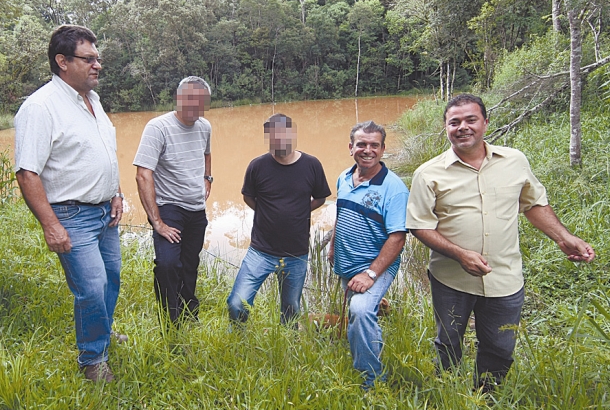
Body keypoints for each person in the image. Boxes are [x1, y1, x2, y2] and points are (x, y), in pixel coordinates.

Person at [406, 94, 595, 390]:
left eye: (471, 120)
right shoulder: (428, 173)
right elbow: (419, 225)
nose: (463, 127)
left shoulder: (514, 161)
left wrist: (564, 237)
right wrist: (459, 255)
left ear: (485, 123)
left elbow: (534, 205)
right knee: (448, 341)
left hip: (505, 276)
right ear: (446, 127)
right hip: (450, 279)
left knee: (500, 346)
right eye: (454, 122)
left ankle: (488, 398)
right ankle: (450, 396)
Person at [14, 25, 125, 383]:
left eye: (98, 58)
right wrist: (51, 225)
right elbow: (27, 173)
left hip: (105, 212)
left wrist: (117, 192)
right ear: (62, 61)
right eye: (88, 58)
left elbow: (104, 152)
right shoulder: (40, 107)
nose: (97, 65)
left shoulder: (92, 100)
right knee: (90, 288)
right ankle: (92, 360)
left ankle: (103, 337)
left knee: (110, 280)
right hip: (71, 214)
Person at [227, 114, 331, 326]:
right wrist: (268, 212)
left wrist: (300, 211)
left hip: (296, 252)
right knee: (237, 304)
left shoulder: (312, 165)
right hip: (260, 251)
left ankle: (287, 348)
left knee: (291, 309)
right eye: (274, 136)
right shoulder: (257, 166)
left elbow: (320, 197)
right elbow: (248, 197)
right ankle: (237, 341)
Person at [328, 121, 409, 389]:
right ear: (351, 147)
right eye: (361, 144)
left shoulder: (394, 188)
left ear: (383, 149)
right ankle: (362, 354)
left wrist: (371, 273)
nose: (368, 150)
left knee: (361, 311)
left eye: (375, 145)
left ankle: (371, 381)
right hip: (346, 262)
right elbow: (342, 214)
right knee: (356, 313)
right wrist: (333, 244)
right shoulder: (343, 177)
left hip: (375, 266)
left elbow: (397, 237)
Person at [134, 76, 212, 325]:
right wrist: (157, 221)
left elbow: (207, 153)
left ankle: (190, 314)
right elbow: (143, 173)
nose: (195, 109)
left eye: (201, 103)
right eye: (190, 101)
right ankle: (170, 320)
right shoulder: (158, 127)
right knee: (168, 264)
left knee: (190, 264)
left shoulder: (205, 127)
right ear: (178, 98)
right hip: (169, 208)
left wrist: (208, 178)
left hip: (196, 209)